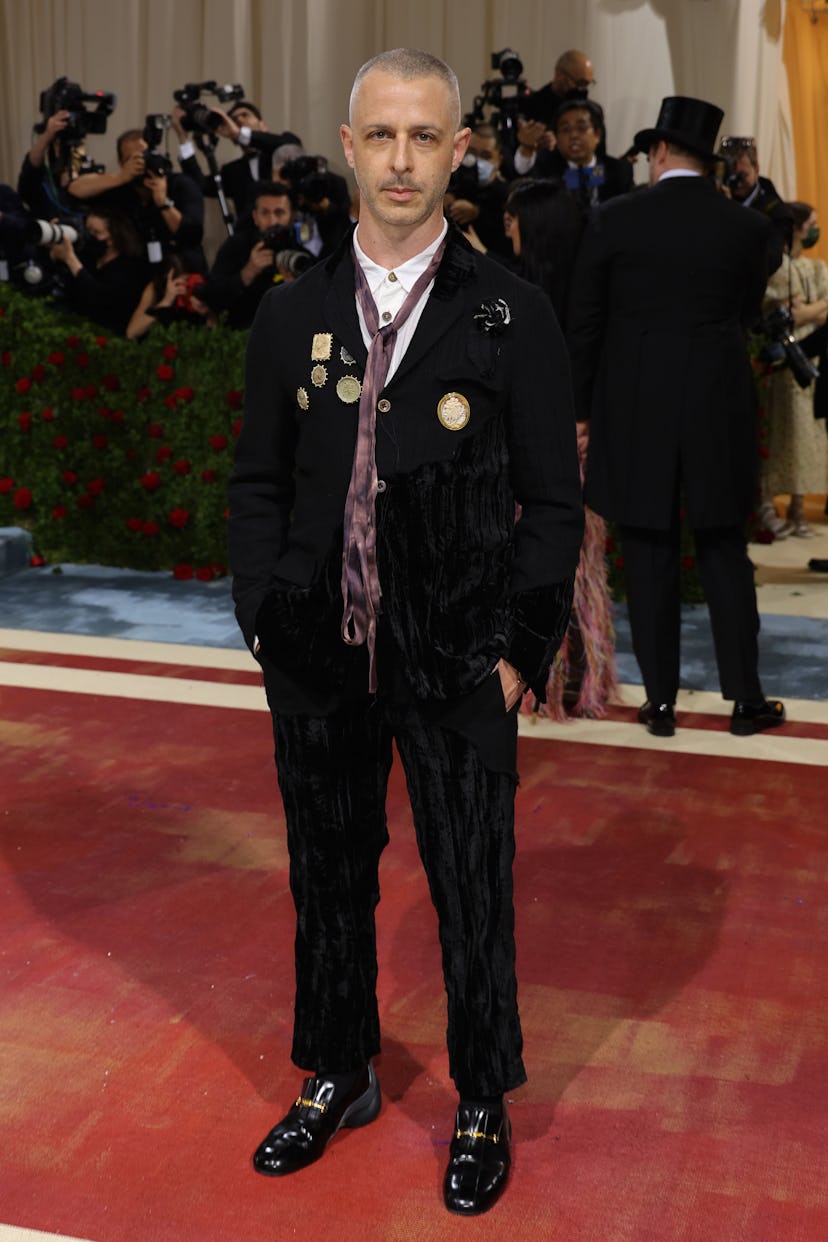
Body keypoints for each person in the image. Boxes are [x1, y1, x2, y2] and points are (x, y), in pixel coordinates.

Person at [228, 47, 583, 1216]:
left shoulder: (509, 314)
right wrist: (266, 619)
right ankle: (339, 1070)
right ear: (345, 145)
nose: (400, 159)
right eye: (381, 135)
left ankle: (482, 1098)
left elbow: (552, 504)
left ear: (458, 151)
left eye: (423, 138)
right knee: (328, 880)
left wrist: (521, 648)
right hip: (318, 659)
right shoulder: (291, 313)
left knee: (471, 883)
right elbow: (258, 486)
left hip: (457, 659)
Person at [567, 96, 786, 739]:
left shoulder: (612, 219)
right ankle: (746, 701)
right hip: (717, 399)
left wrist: (580, 413)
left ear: (660, 152)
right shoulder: (749, 229)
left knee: (648, 548)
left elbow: (585, 326)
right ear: (708, 158)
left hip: (635, 402)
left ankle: (659, 703)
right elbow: (745, 311)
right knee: (723, 548)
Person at [760, 201, 828, 537]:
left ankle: (800, 508)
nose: (815, 228)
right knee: (783, 433)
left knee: (809, 436)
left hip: (814, 356)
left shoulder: (815, 267)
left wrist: (813, 310)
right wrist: (816, 310)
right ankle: (768, 505)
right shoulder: (780, 266)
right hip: (788, 354)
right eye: (811, 223)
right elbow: (796, 314)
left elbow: (818, 311)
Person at [67, 128, 207, 273]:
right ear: (122, 164)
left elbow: (192, 236)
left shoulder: (180, 184)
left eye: (143, 157)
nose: (140, 165)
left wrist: (163, 202)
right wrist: (120, 177)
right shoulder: (121, 188)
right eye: (132, 160)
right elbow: (75, 189)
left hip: (183, 273)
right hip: (138, 276)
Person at [200, 181, 314, 329]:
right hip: (242, 335)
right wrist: (247, 273)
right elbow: (211, 297)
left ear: (292, 216)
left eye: (279, 213)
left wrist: (296, 289)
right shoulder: (236, 246)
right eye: (265, 213)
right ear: (255, 216)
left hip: (289, 334)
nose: (273, 221)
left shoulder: (301, 255)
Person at [173, 99, 302, 221]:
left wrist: (238, 133)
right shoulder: (233, 171)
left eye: (245, 115)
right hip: (248, 239)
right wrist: (182, 138)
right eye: (233, 120)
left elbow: (290, 145)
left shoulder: (283, 148)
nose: (239, 120)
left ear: (263, 126)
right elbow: (201, 185)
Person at [49, 206, 149, 334]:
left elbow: (100, 298)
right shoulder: (90, 255)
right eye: (88, 230)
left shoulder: (130, 266)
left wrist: (70, 259)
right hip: (76, 325)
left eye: (96, 232)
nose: (90, 236)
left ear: (115, 235)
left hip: (106, 333)